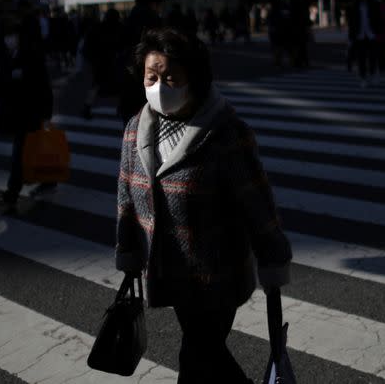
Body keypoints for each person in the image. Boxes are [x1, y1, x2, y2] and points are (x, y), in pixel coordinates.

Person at [115, 27, 292, 384]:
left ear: (193, 77)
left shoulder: (226, 132)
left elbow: (257, 204)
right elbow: (126, 200)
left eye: (170, 76)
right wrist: (130, 253)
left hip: (218, 278)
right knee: (205, 359)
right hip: (172, 276)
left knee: (197, 358)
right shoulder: (136, 129)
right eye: (152, 76)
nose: (159, 85)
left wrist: (273, 261)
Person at [0, 17, 54, 208]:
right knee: (31, 149)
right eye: (7, 36)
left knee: (19, 154)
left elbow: (44, 86)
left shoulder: (31, 55)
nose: (9, 39)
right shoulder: (6, 57)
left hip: (31, 112)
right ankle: (48, 179)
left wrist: (47, 114)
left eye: (12, 36)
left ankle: (12, 192)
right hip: (17, 113)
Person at [118, 0, 166, 124]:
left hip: (128, 83)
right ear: (153, 3)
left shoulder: (127, 20)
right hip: (149, 85)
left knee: (132, 130)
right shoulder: (153, 21)